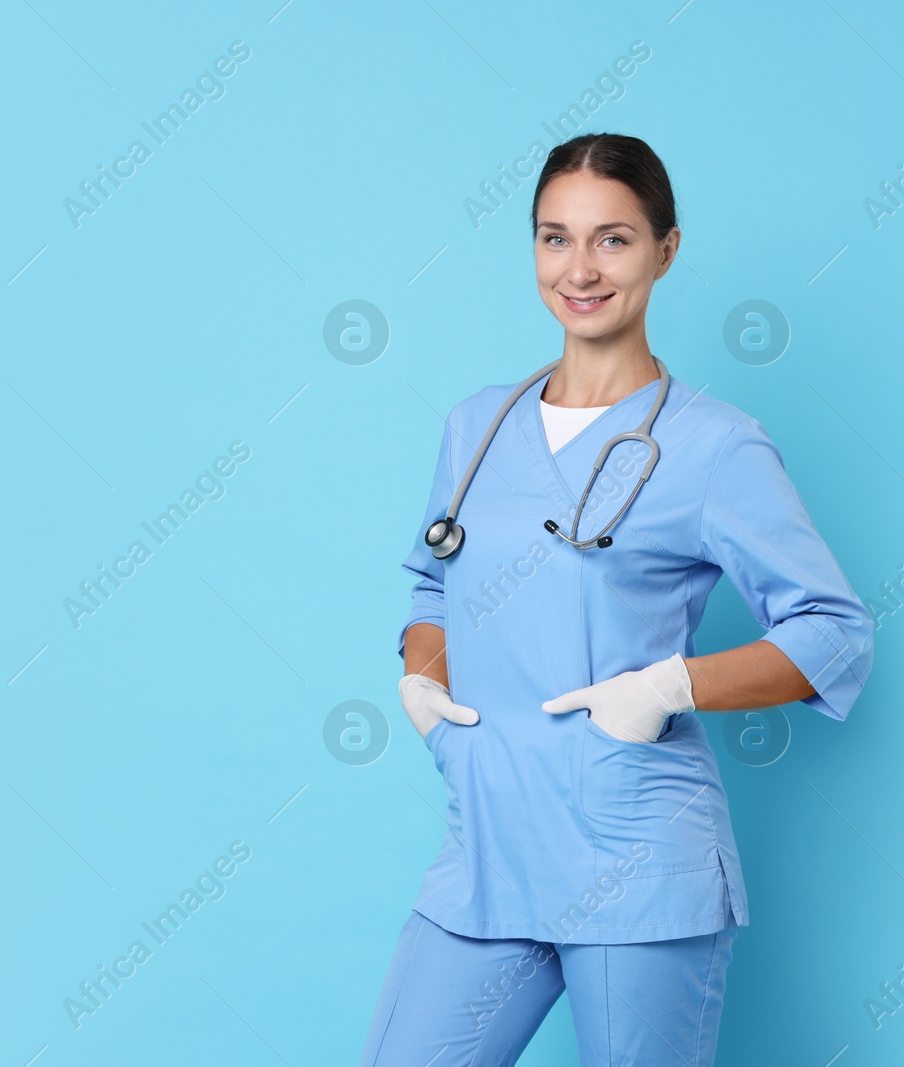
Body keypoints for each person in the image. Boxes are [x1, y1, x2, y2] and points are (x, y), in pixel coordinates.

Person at [361, 132, 874, 1066]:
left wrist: (667, 689)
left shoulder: (716, 447)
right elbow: (432, 578)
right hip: (487, 848)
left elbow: (834, 634)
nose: (580, 269)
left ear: (666, 250)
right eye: (555, 238)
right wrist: (424, 687)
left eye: (613, 239)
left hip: (635, 855)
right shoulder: (478, 427)